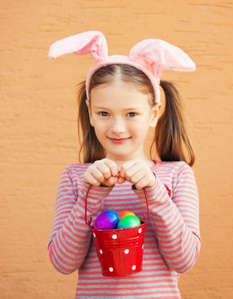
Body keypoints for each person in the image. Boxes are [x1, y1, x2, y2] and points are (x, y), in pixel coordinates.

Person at [47, 31, 201, 298]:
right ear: (90, 113)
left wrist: (155, 195)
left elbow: (184, 260)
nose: (118, 128)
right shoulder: (76, 178)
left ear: (153, 114)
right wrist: (90, 196)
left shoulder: (176, 176)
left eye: (131, 113)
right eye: (104, 113)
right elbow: (62, 262)